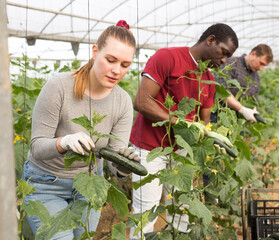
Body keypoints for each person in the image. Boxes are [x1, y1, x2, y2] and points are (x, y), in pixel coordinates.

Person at [22, 20, 139, 239]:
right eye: (111, 60)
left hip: (88, 187)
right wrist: (63, 142)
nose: (116, 71)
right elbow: (37, 146)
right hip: (47, 183)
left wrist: (125, 164)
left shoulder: (122, 101)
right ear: (95, 52)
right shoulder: (58, 87)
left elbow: (115, 159)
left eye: (125, 65)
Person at [129, 23, 238, 239]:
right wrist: (180, 121)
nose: (224, 60)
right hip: (149, 148)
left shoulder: (209, 79)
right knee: (146, 212)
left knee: (181, 210)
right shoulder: (167, 57)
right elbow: (141, 101)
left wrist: (212, 138)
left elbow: (204, 122)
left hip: (180, 152)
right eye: (223, 53)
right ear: (210, 40)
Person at [214, 44, 273, 122]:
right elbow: (221, 91)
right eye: (261, 63)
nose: (261, 68)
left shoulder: (256, 77)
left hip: (238, 121)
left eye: (264, 66)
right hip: (218, 116)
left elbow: (253, 99)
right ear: (253, 54)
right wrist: (242, 109)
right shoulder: (231, 63)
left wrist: (253, 111)